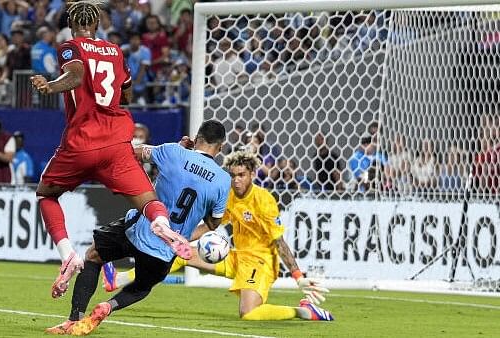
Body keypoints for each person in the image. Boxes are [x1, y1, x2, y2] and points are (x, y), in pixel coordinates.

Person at [29, 0, 190, 300]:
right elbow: (126, 94)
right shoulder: (115, 51)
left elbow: (75, 75)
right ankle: (161, 224)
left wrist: (51, 87)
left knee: (46, 194)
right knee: (148, 202)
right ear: (97, 25)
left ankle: (68, 255)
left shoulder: (70, 46)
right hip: (117, 141)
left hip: (82, 142)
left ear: (72, 24)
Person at [45, 120, 231, 335]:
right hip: (166, 249)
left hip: (140, 227)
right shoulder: (223, 180)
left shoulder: (172, 151)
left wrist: (178, 150)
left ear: (196, 138)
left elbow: (133, 154)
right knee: (142, 287)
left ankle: (73, 320)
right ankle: (108, 306)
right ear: (221, 147)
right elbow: (213, 223)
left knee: (93, 256)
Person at [106, 151, 333, 322]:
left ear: (252, 174)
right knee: (179, 255)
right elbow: (207, 227)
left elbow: (278, 241)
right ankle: (119, 279)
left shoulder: (264, 200)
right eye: (233, 175)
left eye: (242, 175)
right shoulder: (230, 196)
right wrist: (177, 238)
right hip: (236, 257)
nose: (236, 180)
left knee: (249, 313)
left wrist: (297, 276)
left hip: (260, 262)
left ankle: (304, 311)